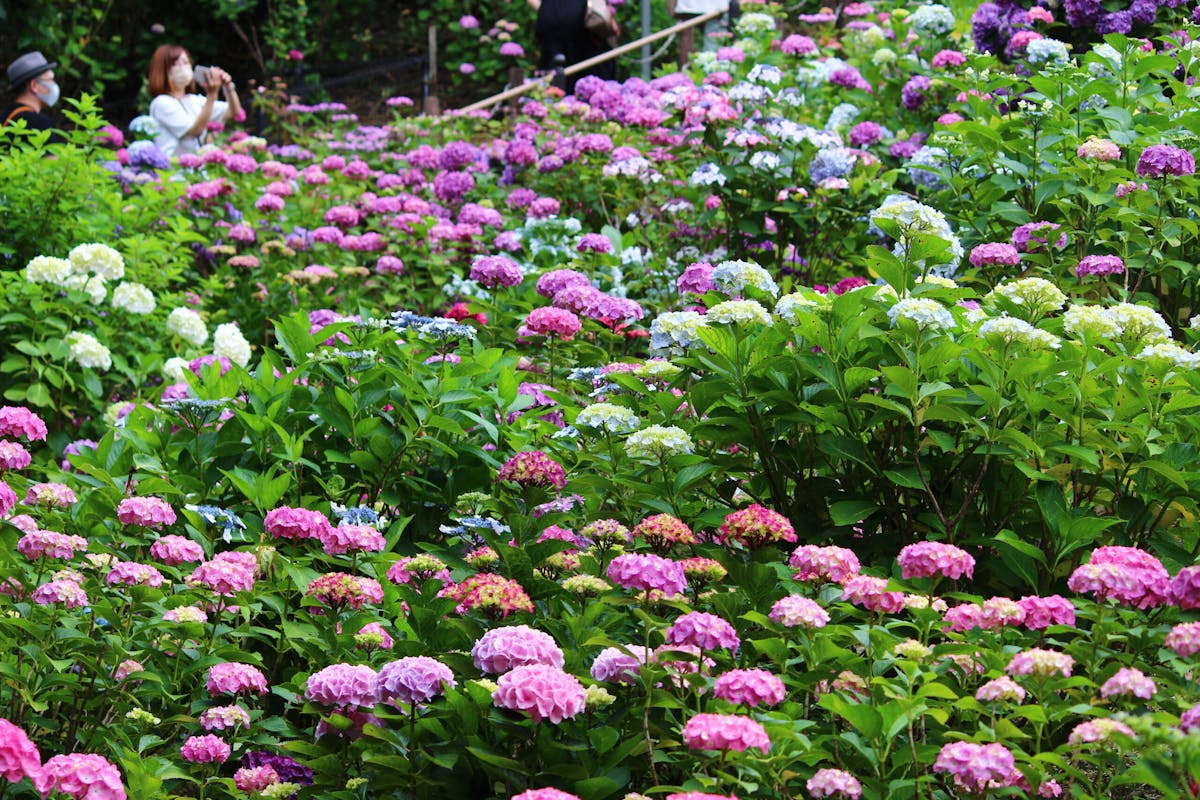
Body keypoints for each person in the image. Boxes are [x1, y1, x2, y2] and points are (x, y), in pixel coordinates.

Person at [147, 44, 241, 159]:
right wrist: (211, 95)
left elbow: (234, 112)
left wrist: (228, 87)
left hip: (197, 170)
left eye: (186, 63)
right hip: (174, 171)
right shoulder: (161, 103)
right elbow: (194, 131)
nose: (183, 67)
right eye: (176, 64)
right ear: (163, 70)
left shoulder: (194, 100)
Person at [527, 0, 617, 92]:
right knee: (593, 82)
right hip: (581, 20)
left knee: (553, 80)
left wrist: (545, 11)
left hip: (552, 18)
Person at [2, 51, 66, 145]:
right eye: (50, 80)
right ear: (34, 85)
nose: (54, 84)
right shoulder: (40, 123)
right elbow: (51, 159)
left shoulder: (4, 117)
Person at [667, 0, 730, 67]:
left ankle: (687, 71)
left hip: (714, 8)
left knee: (712, 43)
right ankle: (689, 70)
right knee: (712, 43)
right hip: (716, 7)